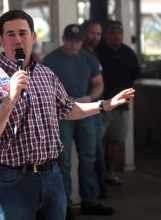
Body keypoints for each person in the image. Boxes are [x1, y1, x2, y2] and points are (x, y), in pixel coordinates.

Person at [0, 10, 135, 220]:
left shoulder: (45, 74)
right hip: (13, 183)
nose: (18, 39)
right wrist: (9, 100)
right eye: (10, 34)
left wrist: (105, 105)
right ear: (1, 39)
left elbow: (68, 109)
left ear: (33, 37)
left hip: (51, 177)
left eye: (23, 32)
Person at [43, 23, 114, 219]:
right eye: (71, 41)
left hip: (86, 112)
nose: (74, 45)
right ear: (64, 39)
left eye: (78, 41)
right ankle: (63, 206)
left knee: (89, 157)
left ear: (82, 41)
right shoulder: (51, 60)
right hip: (62, 115)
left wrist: (90, 98)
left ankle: (90, 201)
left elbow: (99, 84)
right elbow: (42, 88)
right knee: (63, 161)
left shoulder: (89, 58)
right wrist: (60, 100)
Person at [96, 20, 140, 185]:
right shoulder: (98, 52)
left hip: (122, 106)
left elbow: (135, 74)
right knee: (97, 142)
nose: (116, 36)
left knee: (116, 140)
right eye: (113, 33)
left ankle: (110, 173)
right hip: (101, 105)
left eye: (119, 33)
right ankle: (97, 176)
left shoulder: (129, 53)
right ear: (107, 36)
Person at [81, 20, 107, 198]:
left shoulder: (95, 54)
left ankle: (97, 194)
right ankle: (93, 197)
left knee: (96, 154)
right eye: (92, 33)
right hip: (82, 109)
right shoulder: (80, 54)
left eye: (98, 34)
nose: (95, 37)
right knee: (92, 155)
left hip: (97, 108)